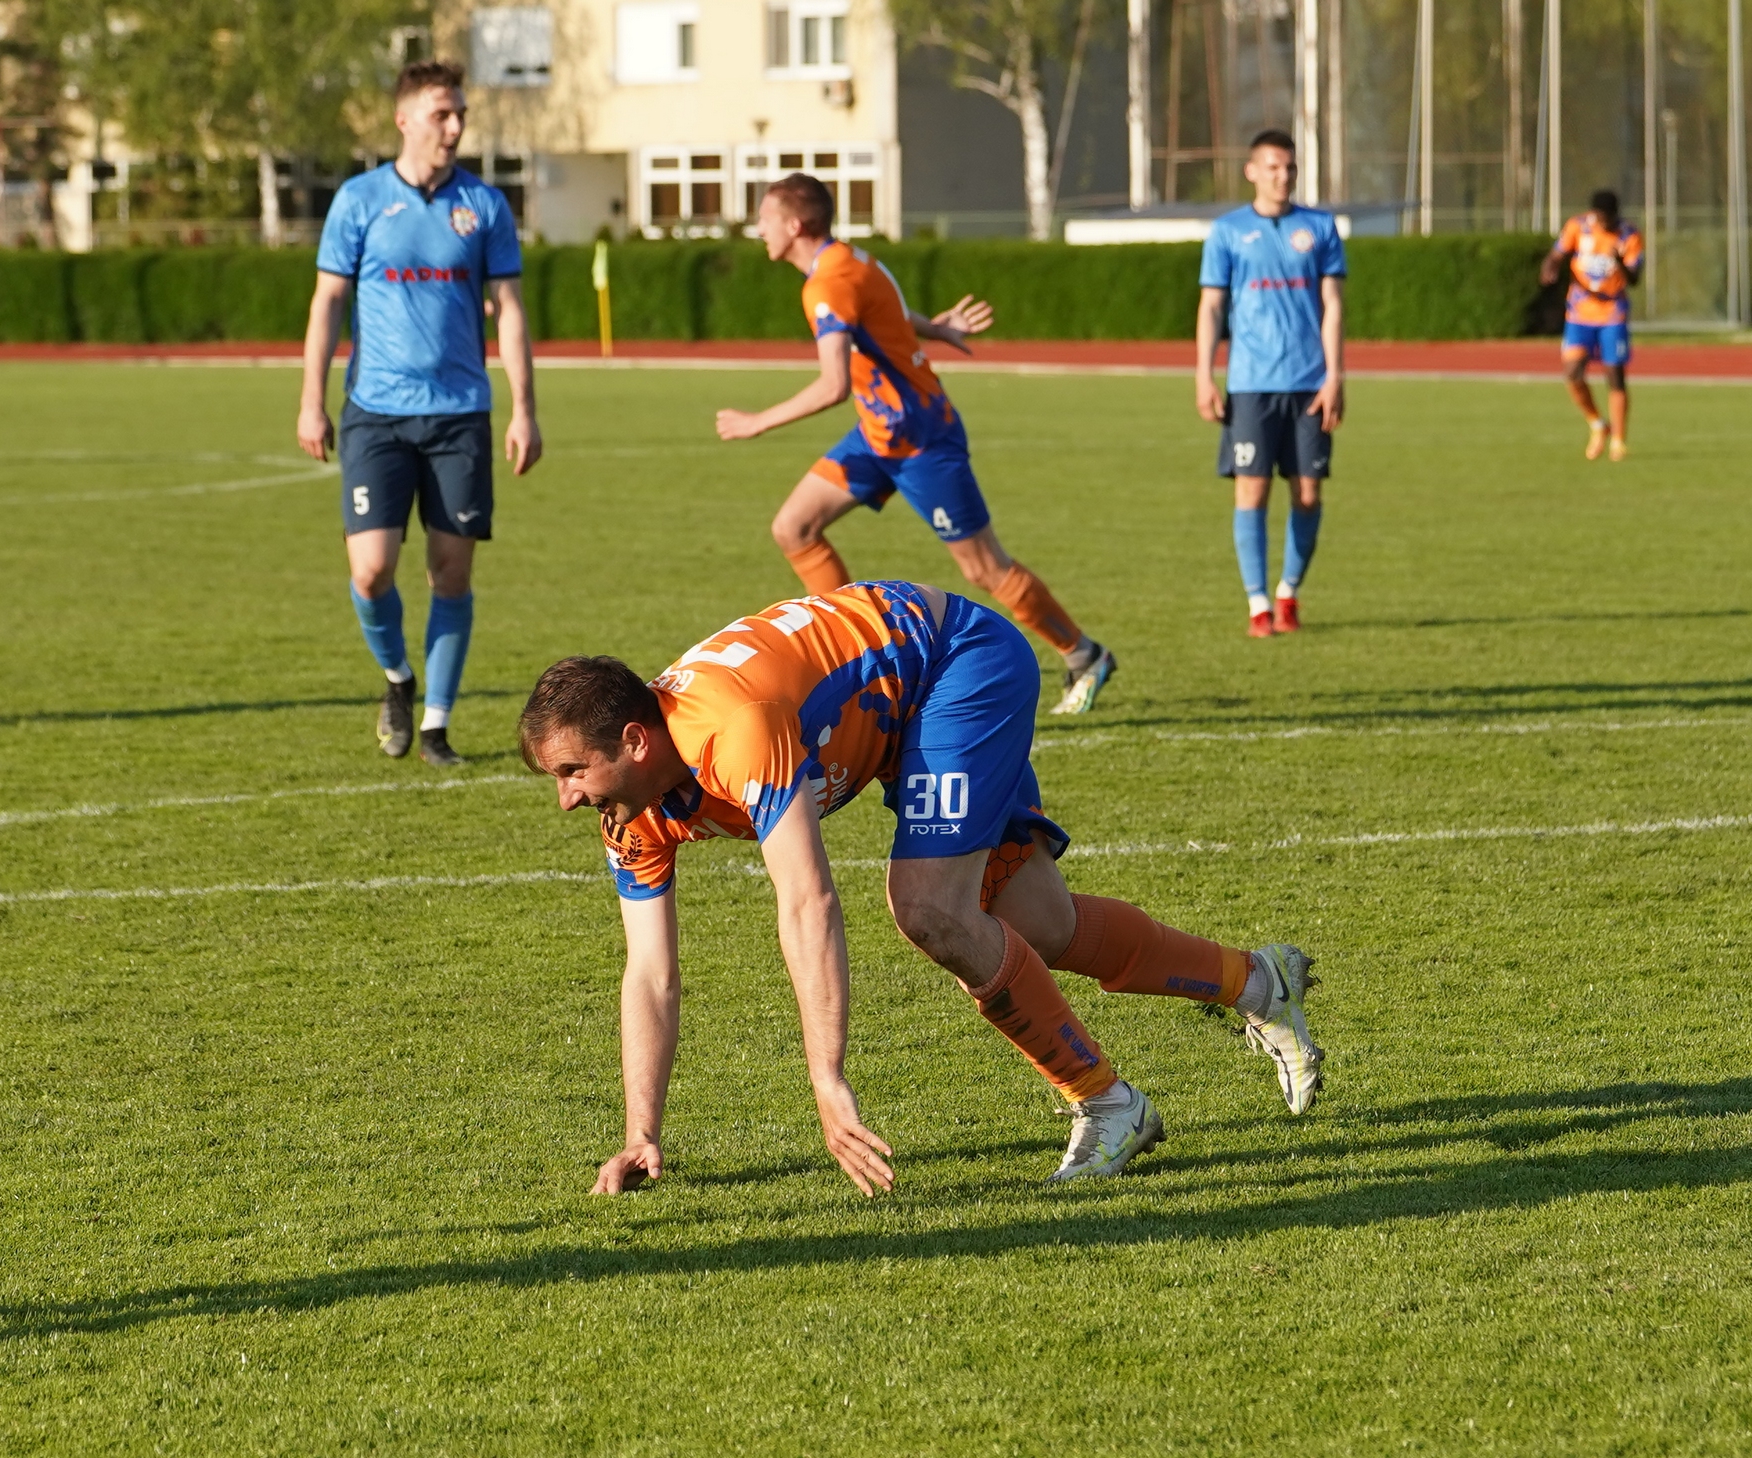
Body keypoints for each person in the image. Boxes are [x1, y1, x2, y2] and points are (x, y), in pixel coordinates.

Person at [517, 581, 1326, 1196]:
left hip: (955, 662)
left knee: (931, 909)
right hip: (897, 706)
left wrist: (827, 1077)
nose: (566, 798)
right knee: (1042, 925)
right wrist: (641, 1131)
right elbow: (649, 972)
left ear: (634, 740)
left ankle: (1108, 1103)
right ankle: (1258, 981)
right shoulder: (633, 809)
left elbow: (807, 900)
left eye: (572, 772)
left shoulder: (732, 732)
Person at [715, 174, 1118, 716]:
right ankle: (855, 659)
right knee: (794, 527)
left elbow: (834, 385)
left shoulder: (827, 283)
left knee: (984, 568)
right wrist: (936, 328)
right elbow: (885, 312)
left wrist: (757, 422)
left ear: (795, 224)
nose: (758, 228)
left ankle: (1084, 654)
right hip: (878, 433)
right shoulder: (850, 260)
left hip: (922, 438)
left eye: (765, 218)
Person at [297, 60, 543, 768]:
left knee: (449, 573)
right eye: (442, 113)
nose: (455, 126)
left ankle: (436, 726)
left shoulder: (484, 206)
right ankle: (398, 677)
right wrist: (311, 401)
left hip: (460, 415)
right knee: (372, 571)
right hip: (375, 411)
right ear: (403, 120)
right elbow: (328, 303)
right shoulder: (359, 200)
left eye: (460, 113)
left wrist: (524, 410)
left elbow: (510, 311)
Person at [1195, 130, 1347, 638]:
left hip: (1310, 382)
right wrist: (1204, 374)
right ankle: (1258, 604)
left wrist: (1335, 375)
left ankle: (1289, 593)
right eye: (1274, 167)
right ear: (1252, 171)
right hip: (1250, 384)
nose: (1284, 176)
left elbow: (1333, 306)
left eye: (1290, 167)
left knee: (1307, 493)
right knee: (1252, 490)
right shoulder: (1227, 232)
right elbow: (1211, 306)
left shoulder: (1320, 227)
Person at [1540, 190, 1644, 462]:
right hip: (1579, 313)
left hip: (1612, 313)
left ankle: (1619, 441)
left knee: (1614, 375)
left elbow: (1634, 279)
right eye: (1599, 217)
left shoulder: (1629, 236)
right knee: (1572, 372)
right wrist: (1550, 267)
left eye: (1606, 218)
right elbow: (1557, 254)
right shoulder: (1577, 227)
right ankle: (1598, 424)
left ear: (1615, 215)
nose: (1602, 222)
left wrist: (1619, 261)